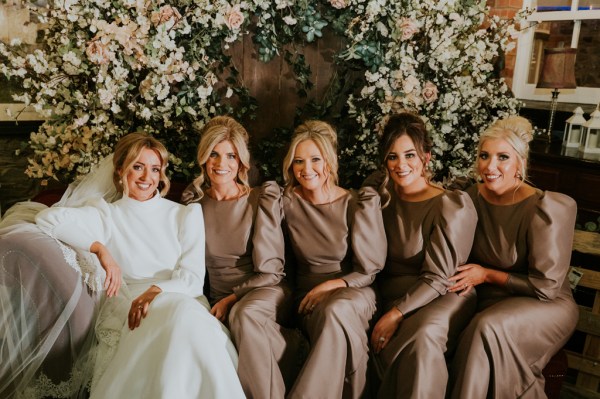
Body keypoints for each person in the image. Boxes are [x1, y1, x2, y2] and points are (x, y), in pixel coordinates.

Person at [35, 132, 245, 399]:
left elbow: (192, 278)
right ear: (121, 169)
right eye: (138, 167)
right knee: (178, 323)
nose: (147, 177)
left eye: (155, 169)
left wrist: (155, 290)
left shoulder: (185, 214)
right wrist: (100, 249)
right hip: (134, 307)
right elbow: (47, 219)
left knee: (186, 318)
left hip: (183, 298)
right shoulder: (106, 214)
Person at [447, 115, 579, 398]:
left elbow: (546, 287)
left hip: (545, 302)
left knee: (487, 328)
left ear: (520, 163)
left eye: (502, 157)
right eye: (484, 155)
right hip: (490, 297)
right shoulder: (470, 196)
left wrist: (486, 274)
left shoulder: (544, 208)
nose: (490, 166)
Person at [182, 115, 304, 398]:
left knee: (244, 314)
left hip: (264, 290)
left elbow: (272, 273)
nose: (221, 164)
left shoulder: (260, 198)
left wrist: (231, 298)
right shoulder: (193, 203)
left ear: (241, 162)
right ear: (203, 157)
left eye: (230, 156)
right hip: (216, 297)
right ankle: (289, 345)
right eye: (214, 154)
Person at [364, 112, 478, 398]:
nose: (401, 165)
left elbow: (439, 277)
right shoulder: (379, 196)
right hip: (390, 293)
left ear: (426, 157)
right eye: (392, 156)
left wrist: (396, 314)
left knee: (424, 337)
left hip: (444, 292)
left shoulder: (449, 205)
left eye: (410, 155)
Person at [280, 120, 386, 399]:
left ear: (329, 161)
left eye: (315, 159)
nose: (307, 168)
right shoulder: (285, 202)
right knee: (333, 317)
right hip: (307, 299)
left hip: (355, 291)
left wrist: (331, 286)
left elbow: (369, 270)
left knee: (338, 310)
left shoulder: (355, 203)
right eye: (299, 161)